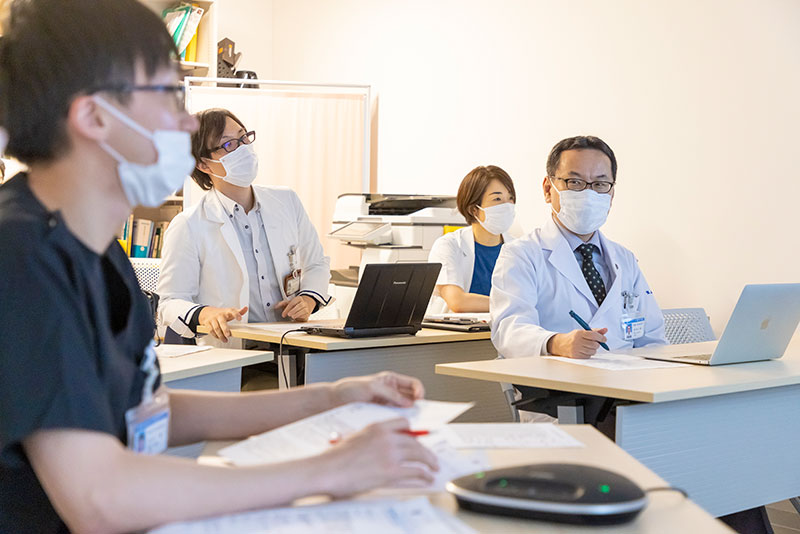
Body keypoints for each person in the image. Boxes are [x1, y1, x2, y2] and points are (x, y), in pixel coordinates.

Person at [0, 2, 437, 533]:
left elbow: (149, 409)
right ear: (94, 117)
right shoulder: (21, 256)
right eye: (170, 95)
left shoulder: (97, 252)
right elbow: (100, 499)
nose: (187, 124)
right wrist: (331, 469)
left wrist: (331, 398)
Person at [157, 108, 331, 345]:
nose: (243, 149)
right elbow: (169, 302)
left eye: (244, 137)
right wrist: (206, 314)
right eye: (229, 144)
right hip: (232, 351)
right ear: (203, 165)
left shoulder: (286, 201)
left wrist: (309, 299)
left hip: (291, 344)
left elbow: (316, 263)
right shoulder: (188, 225)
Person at [428, 165, 516, 313]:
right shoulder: (449, 245)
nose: (507, 206)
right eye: (497, 199)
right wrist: (514, 305)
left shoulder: (518, 247)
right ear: (474, 209)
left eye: (510, 198)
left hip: (506, 326)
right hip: (456, 327)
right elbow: (458, 302)